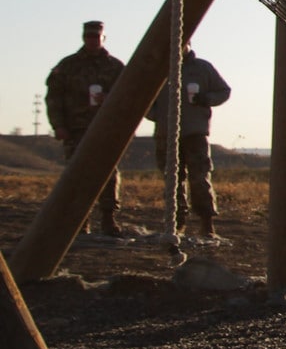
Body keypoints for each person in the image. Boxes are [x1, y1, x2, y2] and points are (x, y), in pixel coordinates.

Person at [44, 19, 128, 236]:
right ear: (84, 38)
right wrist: (59, 125)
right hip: (76, 130)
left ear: (103, 38)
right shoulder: (67, 66)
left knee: (108, 173)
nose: (92, 41)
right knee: (76, 175)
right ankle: (79, 221)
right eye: (89, 37)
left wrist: (109, 99)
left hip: (107, 128)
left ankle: (109, 219)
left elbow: (130, 96)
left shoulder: (115, 67)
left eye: (96, 37)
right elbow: (54, 98)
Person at [145, 41, 231, 239]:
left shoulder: (202, 68)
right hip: (166, 134)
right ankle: (176, 223)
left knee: (200, 178)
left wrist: (206, 99)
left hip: (195, 132)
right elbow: (145, 99)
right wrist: (156, 115)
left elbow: (224, 91)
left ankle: (206, 223)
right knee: (172, 180)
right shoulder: (159, 69)